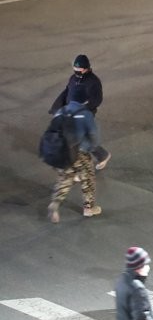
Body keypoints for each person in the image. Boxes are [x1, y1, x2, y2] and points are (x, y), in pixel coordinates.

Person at [47, 84, 103, 222]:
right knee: (88, 178)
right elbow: (93, 137)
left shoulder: (61, 111)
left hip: (62, 152)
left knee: (65, 179)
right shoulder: (85, 114)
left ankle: (55, 203)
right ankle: (89, 208)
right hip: (80, 153)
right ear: (84, 100)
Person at [49, 54, 112, 170]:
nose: (76, 71)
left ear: (86, 68)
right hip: (70, 113)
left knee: (77, 138)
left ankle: (74, 166)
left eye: (79, 70)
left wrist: (82, 108)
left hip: (84, 114)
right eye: (75, 69)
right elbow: (66, 93)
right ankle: (101, 155)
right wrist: (57, 108)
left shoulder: (93, 82)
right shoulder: (73, 79)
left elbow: (97, 100)